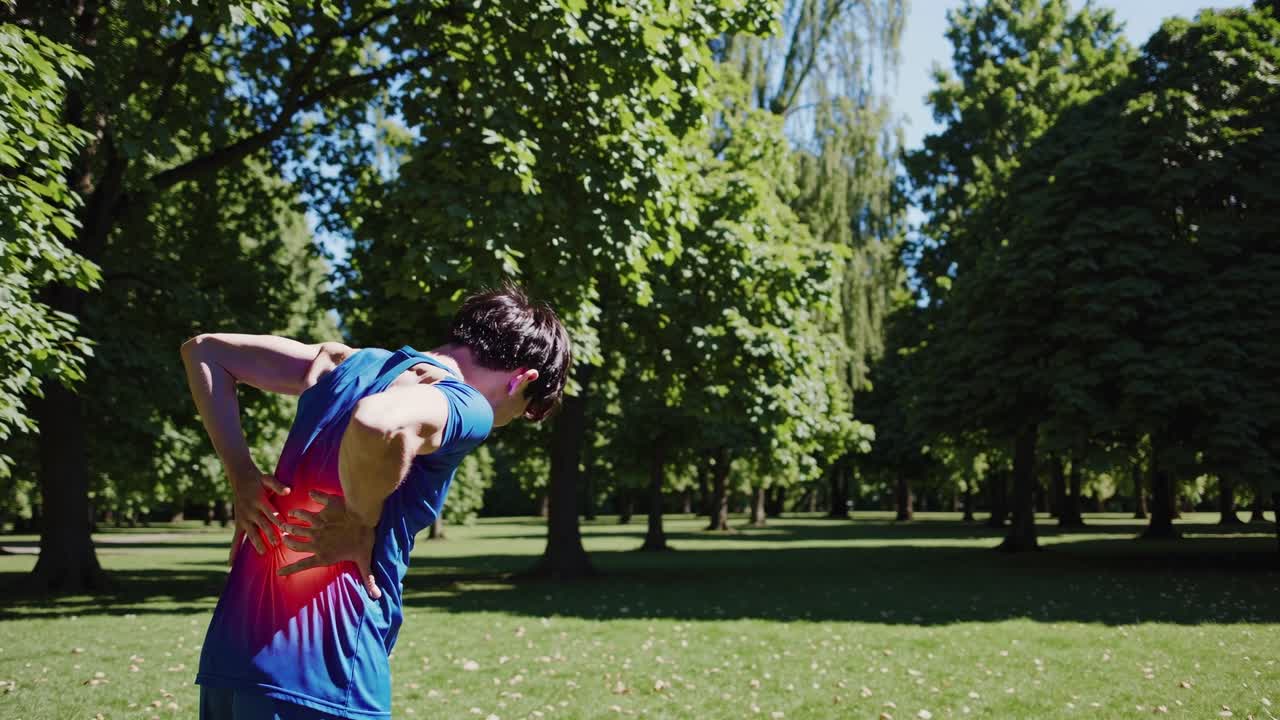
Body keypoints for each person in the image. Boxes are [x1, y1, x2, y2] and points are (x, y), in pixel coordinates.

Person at [180, 286, 570, 720]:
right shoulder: (468, 404)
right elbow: (377, 421)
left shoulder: (344, 361)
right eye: (521, 410)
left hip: (231, 659)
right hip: (325, 669)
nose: (509, 419)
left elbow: (205, 352)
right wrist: (359, 522)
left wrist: (242, 475)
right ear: (522, 379)